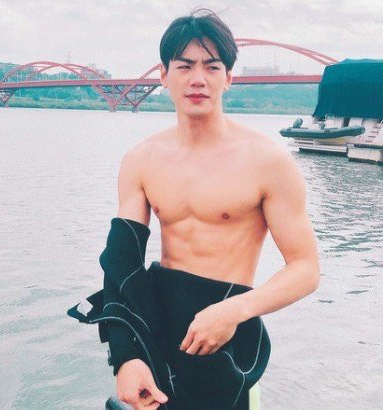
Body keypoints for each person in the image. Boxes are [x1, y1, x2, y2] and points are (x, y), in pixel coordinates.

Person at [68, 9, 320, 410]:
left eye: (211, 66)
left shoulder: (268, 161)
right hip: (158, 327)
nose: (198, 78)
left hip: (224, 338)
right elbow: (121, 261)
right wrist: (126, 356)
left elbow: (305, 268)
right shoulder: (141, 160)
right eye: (184, 66)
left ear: (228, 77)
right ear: (164, 76)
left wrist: (234, 311)